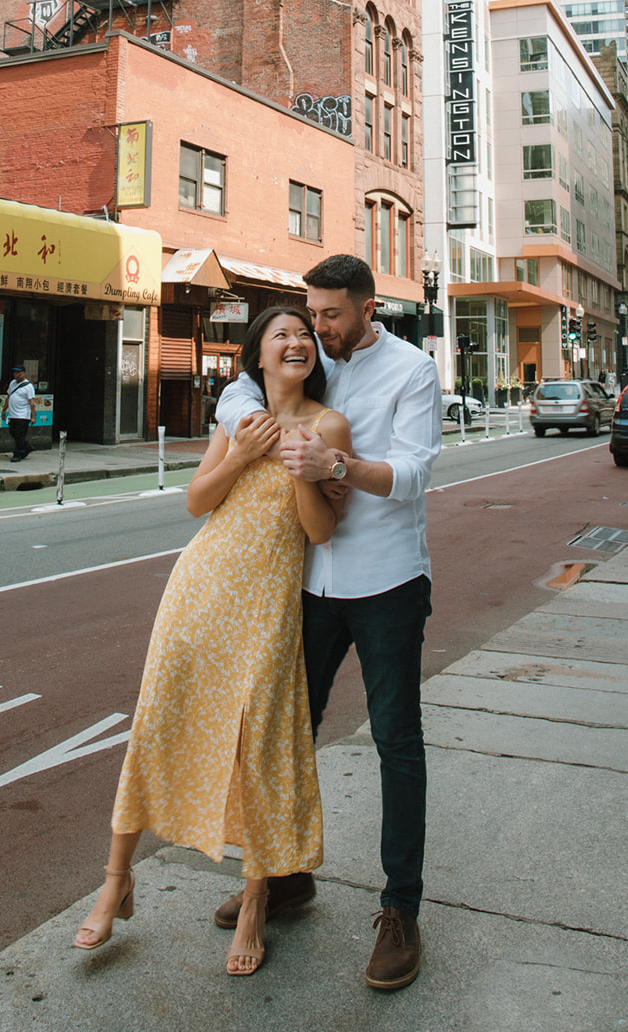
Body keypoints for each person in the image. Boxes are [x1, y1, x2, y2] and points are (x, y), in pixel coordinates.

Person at [71, 307, 350, 976]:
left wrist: (304, 465)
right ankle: (115, 879)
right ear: (257, 354)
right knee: (158, 722)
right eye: (281, 334)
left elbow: (318, 533)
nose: (296, 342)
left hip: (268, 605)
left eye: (303, 335)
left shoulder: (327, 425)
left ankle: (256, 903)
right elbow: (197, 501)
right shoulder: (238, 419)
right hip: (199, 589)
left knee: (257, 747)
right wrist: (245, 453)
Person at [214, 254, 442, 992]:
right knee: (285, 732)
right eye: (311, 314)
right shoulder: (311, 360)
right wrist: (249, 426)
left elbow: (411, 478)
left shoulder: (412, 370)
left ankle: (400, 909)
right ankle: (285, 877)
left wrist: (336, 465)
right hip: (308, 583)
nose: (316, 329)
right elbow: (239, 394)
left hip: (387, 583)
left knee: (396, 741)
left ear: (368, 308)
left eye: (331, 315)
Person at [1, 365, 35, 460]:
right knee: (13, 432)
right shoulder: (12, 383)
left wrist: (33, 417)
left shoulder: (28, 386)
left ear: (23, 373)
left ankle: (18, 454)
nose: (15, 374)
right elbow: (9, 397)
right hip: (12, 414)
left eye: (18, 372)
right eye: (14, 372)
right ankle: (26, 446)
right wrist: (4, 410)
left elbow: (32, 403)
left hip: (23, 415)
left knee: (20, 435)